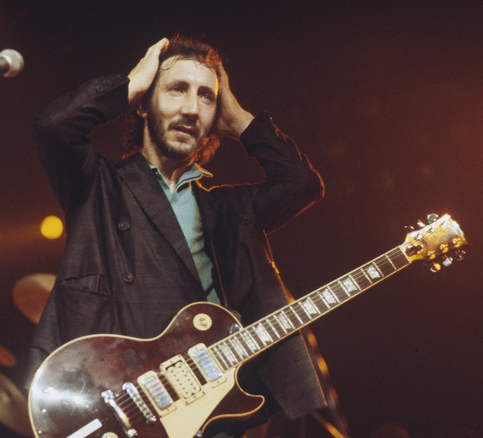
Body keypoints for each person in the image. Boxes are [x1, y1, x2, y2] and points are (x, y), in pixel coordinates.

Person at [27, 35, 327, 436]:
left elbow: (301, 184)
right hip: (125, 409)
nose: (191, 108)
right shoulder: (98, 186)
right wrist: (130, 86)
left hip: (212, 411)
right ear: (144, 106)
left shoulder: (228, 210)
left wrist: (239, 119)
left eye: (206, 96)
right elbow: (53, 127)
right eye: (176, 89)